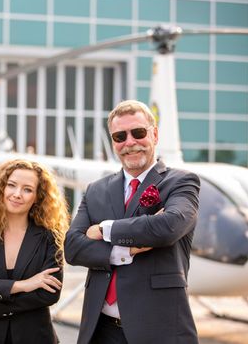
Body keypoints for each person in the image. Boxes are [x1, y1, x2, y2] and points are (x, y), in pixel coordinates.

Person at [65, 100, 200, 344]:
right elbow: (72, 247)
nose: (129, 142)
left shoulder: (181, 182)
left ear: (155, 134)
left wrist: (105, 229)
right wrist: (123, 250)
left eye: (138, 132)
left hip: (159, 329)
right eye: (119, 136)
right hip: (100, 330)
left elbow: (167, 228)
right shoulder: (96, 190)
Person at [0, 159, 70, 343]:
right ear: (1, 188)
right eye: (11, 185)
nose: (17, 194)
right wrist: (23, 285)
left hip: (35, 338)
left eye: (27, 189)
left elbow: (49, 293)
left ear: (37, 197)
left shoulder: (49, 237)